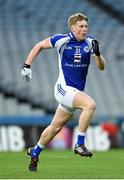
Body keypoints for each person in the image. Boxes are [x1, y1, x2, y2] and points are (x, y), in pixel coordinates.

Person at [21, 12, 105, 172]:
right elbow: (39, 45)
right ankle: (79, 144)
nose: (85, 29)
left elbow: (101, 67)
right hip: (63, 89)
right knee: (90, 105)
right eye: (81, 26)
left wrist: (98, 54)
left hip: (75, 92)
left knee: (55, 128)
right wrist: (27, 65)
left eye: (86, 26)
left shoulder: (91, 42)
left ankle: (34, 152)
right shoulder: (62, 40)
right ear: (73, 28)